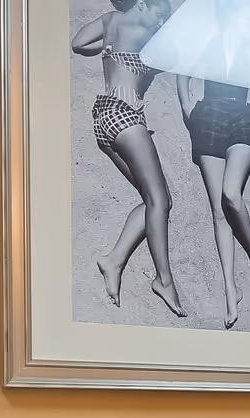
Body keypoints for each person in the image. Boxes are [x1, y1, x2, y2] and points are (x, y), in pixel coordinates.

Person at [72, 0, 186, 317]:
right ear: (142, 4)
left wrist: (108, 49)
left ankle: (114, 260)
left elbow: (78, 43)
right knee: (160, 202)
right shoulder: (145, 33)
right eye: (159, 14)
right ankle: (164, 280)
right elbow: (173, 58)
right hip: (126, 116)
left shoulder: (111, 20)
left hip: (104, 118)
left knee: (154, 201)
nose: (161, 22)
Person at [178, 78, 250, 328]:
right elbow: (183, 71)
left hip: (241, 118)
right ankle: (231, 288)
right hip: (207, 117)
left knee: (230, 194)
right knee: (218, 211)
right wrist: (185, 103)